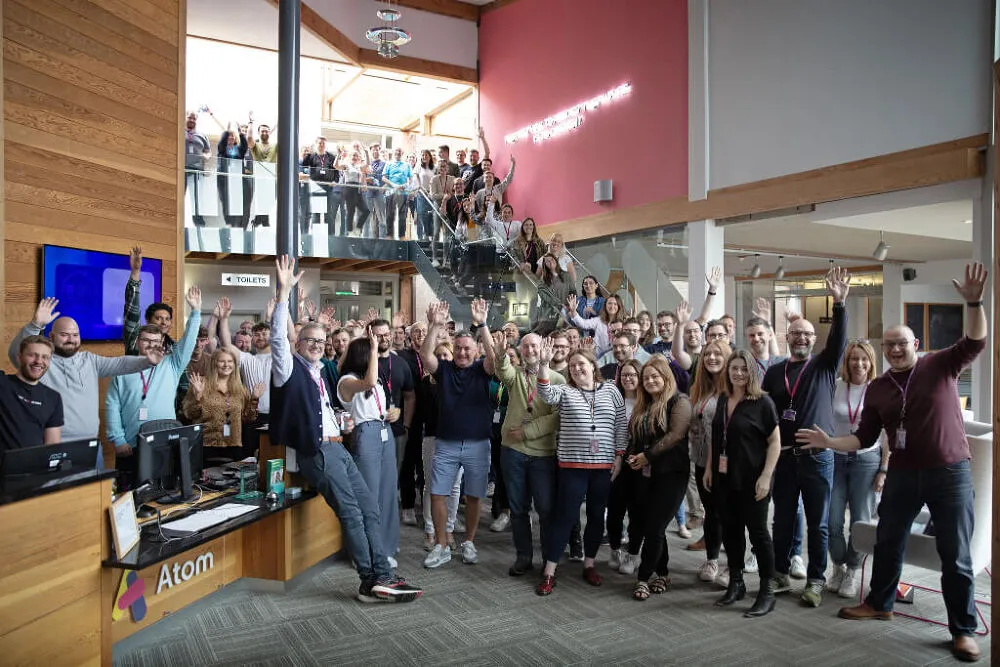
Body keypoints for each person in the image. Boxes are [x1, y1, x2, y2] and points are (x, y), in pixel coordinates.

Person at [796, 263, 987, 663]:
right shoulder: (880, 388)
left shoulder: (939, 364)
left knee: (956, 554)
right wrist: (829, 440)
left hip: (948, 472)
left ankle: (963, 630)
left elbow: (974, 341)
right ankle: (880, 602)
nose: (895, 349)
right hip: (903, 472)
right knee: (888, 541)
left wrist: (973, 301)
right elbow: (864, 438)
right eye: (889, 345)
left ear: (915, 343)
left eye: (901, 343)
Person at [268, 256, 422, 603]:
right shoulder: (287, 368)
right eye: (310, 339)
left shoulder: (319, 371)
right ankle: (370, 579)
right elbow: (279, 338)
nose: (317, 345)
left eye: (321, 341)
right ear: (297, 342)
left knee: (369, 508)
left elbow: (324, 406)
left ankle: (382, 573)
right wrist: (283, 294)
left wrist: (342, 420)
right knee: (352, 511)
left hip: (338, 446)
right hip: (319, 452)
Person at [761, 267, 850, 607]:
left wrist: (839, 303)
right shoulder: (774, 372)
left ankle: (815, 580)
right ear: (787, 337)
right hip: (783, 457)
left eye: (808, 334)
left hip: (817, 457)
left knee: (819, 523)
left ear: (814, 340)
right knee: (782, 520)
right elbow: (765, 414)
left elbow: (839, 339)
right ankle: (781, 574)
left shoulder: (825, 366)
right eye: (796, 333)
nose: (801, 338)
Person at [534, 341, 627, 595]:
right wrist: (543, 364)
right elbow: (545, 393)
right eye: (572, 366)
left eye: (581, 364)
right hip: (572, 466)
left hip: (604, 467)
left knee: (597, 517)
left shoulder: (611, 391)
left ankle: (589, 564)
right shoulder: (565, 391)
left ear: (593, 366)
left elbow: (620, 425)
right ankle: (549, 572)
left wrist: (619, 456)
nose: (576, 369)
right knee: (564, 518)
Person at [8, 298, 160, 445]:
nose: (71, 339)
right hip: (53, 445)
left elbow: (120, 363)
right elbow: (17, 353)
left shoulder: (90, 360)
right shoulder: (43, 362)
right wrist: (35, 325)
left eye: (75, 335)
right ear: (51, 336)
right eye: (64, 335)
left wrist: (147, 361)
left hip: (91, 446)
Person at [419, 299, 495, 568]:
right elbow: (425, 356)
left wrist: (483, 325)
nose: (462, 353)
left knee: (473, 496)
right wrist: (434, 325)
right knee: (438, 493)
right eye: (458, 348)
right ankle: (441, 545)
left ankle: (469, 541)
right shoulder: (445, 370)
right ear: (453, 349)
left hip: (478, 444)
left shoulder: (483, 369)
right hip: (446, 444)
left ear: (476, 351)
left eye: (467, 349)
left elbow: (495, 359)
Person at [706, 349, 781, 617]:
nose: (738, 373)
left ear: (752, 372)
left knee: (759, 535)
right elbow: (718, 435)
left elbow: (775, 443)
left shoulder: (763, 403)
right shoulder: (724, 397)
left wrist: (766, 476)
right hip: (725, 478)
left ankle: (766, 591)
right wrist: (710, 468)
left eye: (743, 369)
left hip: (753, 481)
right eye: (733, 368)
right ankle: (736, 584)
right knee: (731, 532)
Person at [484, 330, 564, 576]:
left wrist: (529, 431)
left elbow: (557, 417)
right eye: (525, 346)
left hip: (542, 454)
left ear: (543, 349)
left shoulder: (558, 379)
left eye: (534, 346)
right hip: (514, 453)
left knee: (546, 510)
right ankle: (524, 556)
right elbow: (502, 369)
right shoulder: (515, 376)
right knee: (518, 509)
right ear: (520, 351)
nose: (530, 350)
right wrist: (499, 353)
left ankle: (550, 560)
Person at [106, 287, 202, 489]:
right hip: (130, 447)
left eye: (156, 341)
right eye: (146, 340)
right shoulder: (123, 367)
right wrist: (118, 440)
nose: (151, 345)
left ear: (162, 343)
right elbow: (111, 406)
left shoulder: (172, 365)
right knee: (131, 498)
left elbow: (188, 341)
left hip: (165, 443)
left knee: (165, 495)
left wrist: (195, 311)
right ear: (138, 342)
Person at [824, 339, 886, 600]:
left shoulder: (879, 389)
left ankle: (852, 570)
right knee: (833, 520)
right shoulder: (836, 387)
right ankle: (837, 566)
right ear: (846, 362)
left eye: (864, 359)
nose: (859, 363)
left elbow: (887, 434)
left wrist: (884, 469)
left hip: (867, 460)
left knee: (860, 522)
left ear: (871, 362)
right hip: (836, 459)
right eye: (853, 358)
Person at [626, 355, 692, 601]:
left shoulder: (679, 401)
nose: (650, 381)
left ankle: (643, 577)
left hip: (671, 474)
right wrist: (634, 456)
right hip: (644, 474)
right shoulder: (643, 404)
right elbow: (636, 437)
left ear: (666, 378)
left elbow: (675, 436)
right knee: (652, 526)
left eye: (655, 376)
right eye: (646, 377)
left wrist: (647, 456)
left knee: (654, 527)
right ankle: (662, 573)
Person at [337, 332, 402, 564]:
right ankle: (365, 553)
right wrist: (370, 347)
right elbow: (369, 383)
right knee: (369, 496)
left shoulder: (376, 380)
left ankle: (384, 546)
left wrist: (392, 413)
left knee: (387, 492)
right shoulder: (347, 381)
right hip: (365, 436)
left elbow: (377, 401)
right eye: (373, 351)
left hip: (384, 432)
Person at [686, 339, 731, 584]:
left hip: (727, 463)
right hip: (702, 461)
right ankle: (712, 559)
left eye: (717, 354)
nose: (711, 358)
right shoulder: (699, 389)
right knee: (711, 513)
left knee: (729, 514)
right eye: (707, 354)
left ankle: (730, 565)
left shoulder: (733, 389)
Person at [420, 340, 463, 551]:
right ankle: (430, 531)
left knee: (454, 487)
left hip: (457, 440)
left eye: (447, 355)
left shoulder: (460, 381)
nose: (444, 359)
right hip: (433, 438)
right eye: (440, 355)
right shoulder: (425, 383)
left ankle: (448, 529)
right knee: (432, 486)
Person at [182, 349, 264, 458]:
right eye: (222, 361)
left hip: (233, 446)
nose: (226, 365)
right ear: (214, 363)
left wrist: (254, 399)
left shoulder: (241, 389)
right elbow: (190, 415)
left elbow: (247, 419)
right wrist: (197, 397)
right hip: (206, 445)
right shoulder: (200, 384)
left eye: (230, 361)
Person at [606, 359, 642, 574]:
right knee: (614, 510)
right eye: (625, 375)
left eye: (633, 375)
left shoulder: (645, 403)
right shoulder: (613, 400)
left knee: (637, 512)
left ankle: (633, 553)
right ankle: (614, 548)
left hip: (638, 463)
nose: (628, 378)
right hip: (614, 461)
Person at [368, 319, 415, 482]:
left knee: (393, 479)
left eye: (386, 334)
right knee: (372, 479)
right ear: (371, 336)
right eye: (378, 335)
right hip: (369, 431)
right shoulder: (363, 362)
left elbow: (410, 396)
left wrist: (406, 424)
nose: (383, 339)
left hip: (397, 430)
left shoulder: (401, 363)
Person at [0, 336, 63, 450]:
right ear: (19, 357)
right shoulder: (2, 383)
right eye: (32, 355)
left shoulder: (53, 398)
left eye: (45, 357)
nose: (38, 361)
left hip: (34, 466)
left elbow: (52, 445)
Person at [397, 321, 428, 526]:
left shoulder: (436, 355)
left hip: (431, 417)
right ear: (410, 336)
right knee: (408, 463)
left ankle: (428, 510)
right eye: (417, 331)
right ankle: (408, 507)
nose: (421, 335)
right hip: (410, 417)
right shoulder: (402, 357)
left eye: (425, 331)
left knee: (428, 467)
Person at [124, 247, 175, 355]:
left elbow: (182, 372)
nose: (164, 323)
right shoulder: (136, 341)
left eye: (167, 319)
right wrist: (136, 272)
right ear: (147, 320)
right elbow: (132, 309)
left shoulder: (174, 347)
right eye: (158, 318)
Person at [564, 293, 626, 358]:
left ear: (619, 306)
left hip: (616, 357)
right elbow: (583, 324)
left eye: (615, 304)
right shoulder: (599, 320)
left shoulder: (623, 323)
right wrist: (573, 311)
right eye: (609, 303)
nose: (612, 306)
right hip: (598, 358)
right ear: (605, 305)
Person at [533, 253, 572, 335]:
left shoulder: (566, 275)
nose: (550, 262)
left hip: (565, 310)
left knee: (563, 334)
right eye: (547, 261)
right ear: (545, 264)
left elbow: (573, 291)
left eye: (552, 260)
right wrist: (560, 303)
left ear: (556, 261)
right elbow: (546, 297)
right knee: (545, 333)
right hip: (549, 312)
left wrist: (572, 305)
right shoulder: (543, 281)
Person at [183, 111, 210, 227]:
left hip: (196, 171)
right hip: (181, 170)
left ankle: (198, 223)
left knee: (197, 199)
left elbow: (208, 152)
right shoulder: (178, 131)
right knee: (179, 196)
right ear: (185, 117)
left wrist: (206, 157)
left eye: (194, 119)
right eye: (190, 118)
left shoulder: (202, 135)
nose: (192, 120)